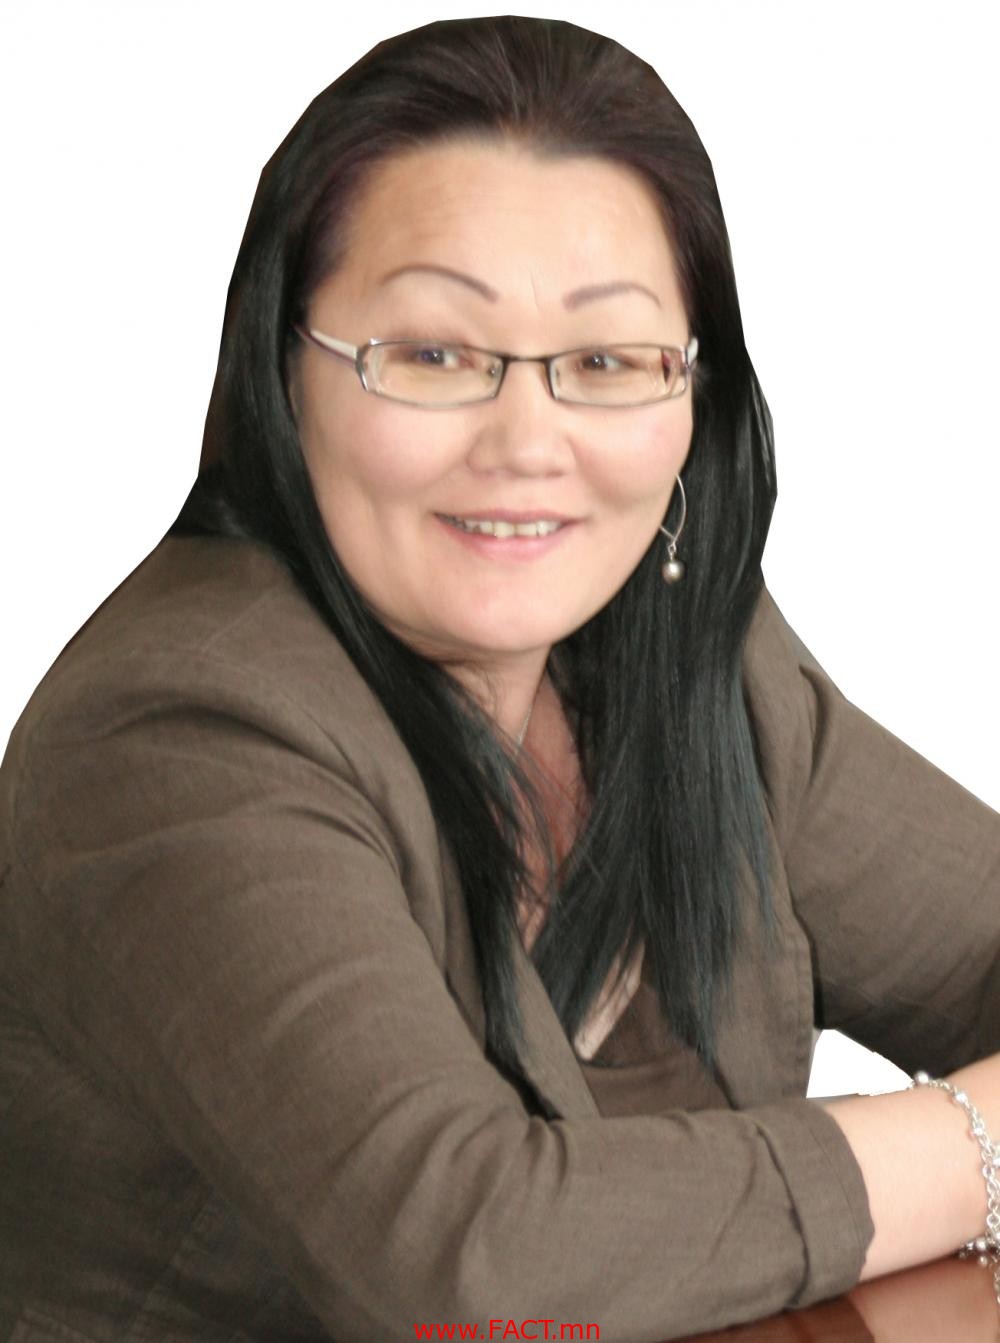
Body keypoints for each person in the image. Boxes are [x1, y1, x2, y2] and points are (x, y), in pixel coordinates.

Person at [1, 14, 998, 1342]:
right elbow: (471, 1266)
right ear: (284, 374)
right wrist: (978, 1144)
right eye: (433, 355)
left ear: (695, 401)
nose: (528, 441)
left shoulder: (691, 655)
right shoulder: (176, 735)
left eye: (608, 362)